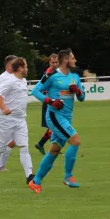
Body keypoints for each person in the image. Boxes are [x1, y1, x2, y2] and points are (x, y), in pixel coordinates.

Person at [28, 49, 85, 194]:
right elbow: (35, 91)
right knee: (76, 141)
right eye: (73, 58)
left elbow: (82, 98)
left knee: (54, 150)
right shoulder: (51, 76)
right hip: (54, 116)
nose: (75, 60)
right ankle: (68, 176)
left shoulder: (75, 77)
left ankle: (35, 181)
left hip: (67, 117)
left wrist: (78, 91)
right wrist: (50, 101)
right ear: (66, 61)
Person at [0, 55, 18, 171]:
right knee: (10, 142)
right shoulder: (2, 78)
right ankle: (0, 166)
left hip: (15, 114)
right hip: (5, 113)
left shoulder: (16, 77)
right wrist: (4, 109)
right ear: (8, 65)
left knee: (14, 141)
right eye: (15, 64)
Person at [34, 53, 59, 155]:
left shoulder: (58, 72)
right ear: (49, 62)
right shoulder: (48, 74)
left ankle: (41, 144)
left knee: (54, 127)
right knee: (55, 127)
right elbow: (39, 89)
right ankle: (52, 148)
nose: (54, 64)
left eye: (56, 62)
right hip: (49, 103)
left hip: (57, 104)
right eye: (52, 62)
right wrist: (47, 97)